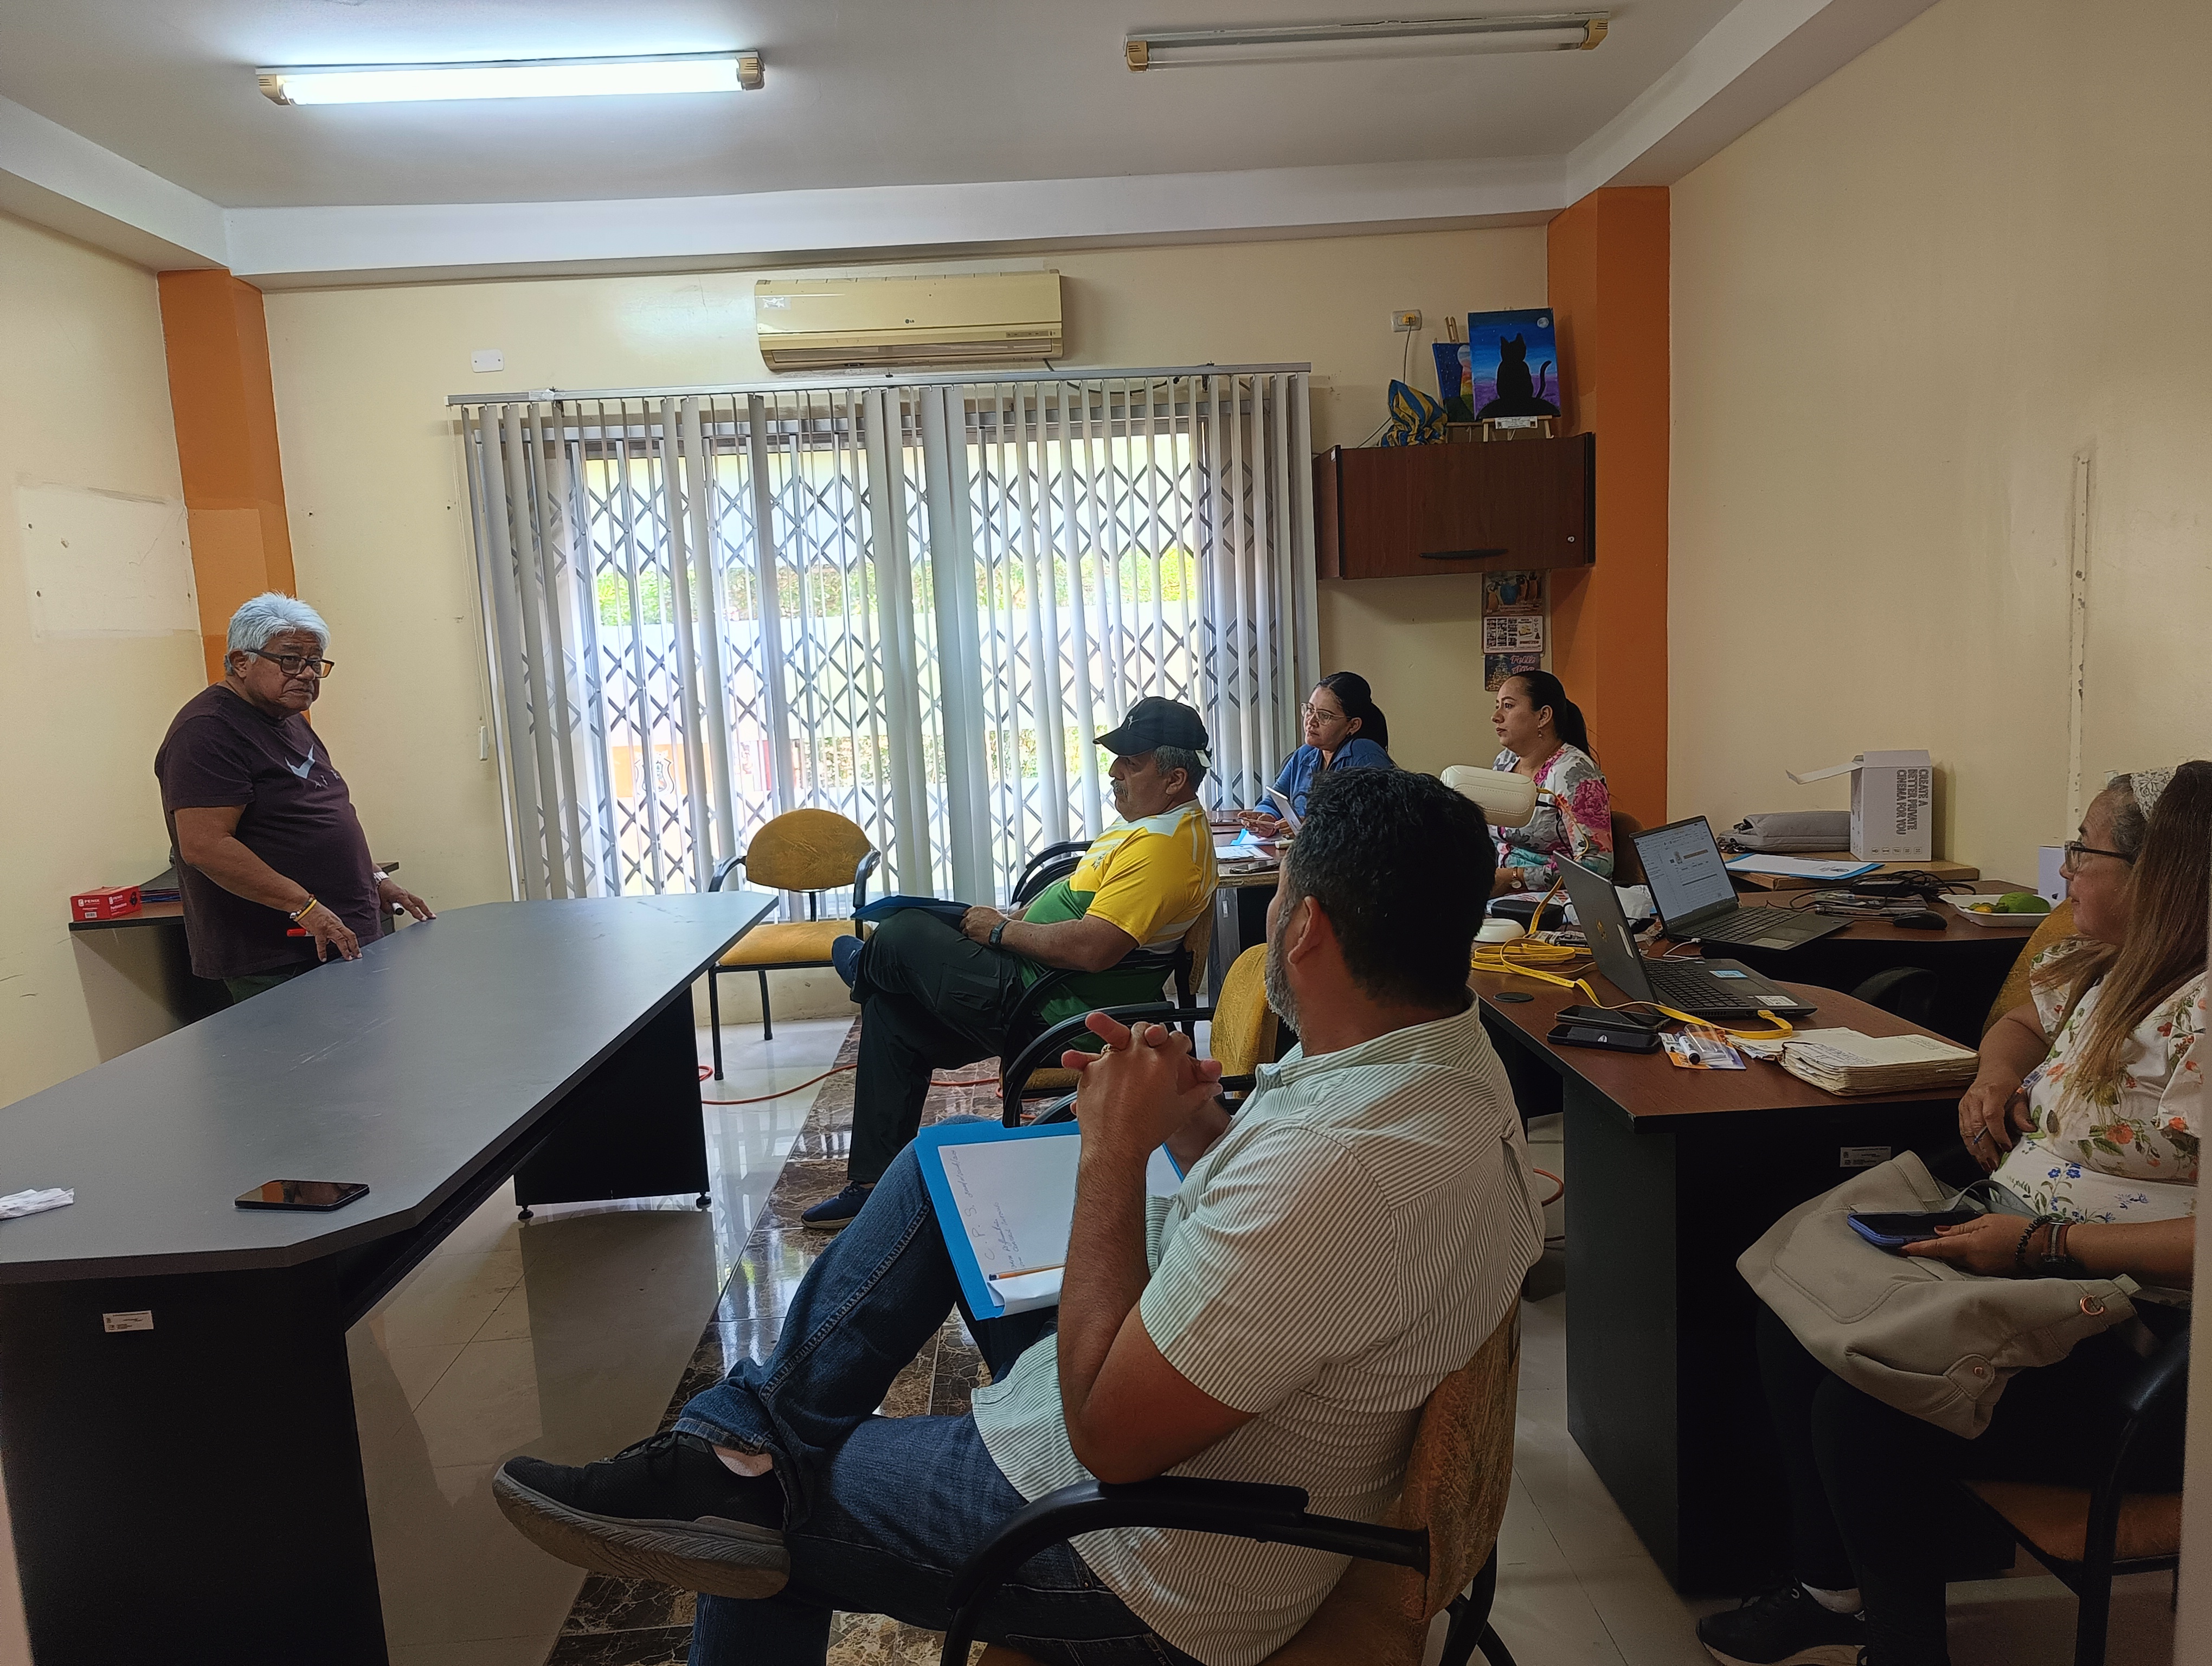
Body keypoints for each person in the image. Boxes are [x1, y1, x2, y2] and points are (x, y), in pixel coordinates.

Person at [492, 767, 1544, 1666]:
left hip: (1151, 1560)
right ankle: (746, 1431)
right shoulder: (1438, 1064)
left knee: (773, 1508)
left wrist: (1114, 1154)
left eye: (1280, 902)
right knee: (943, 1163)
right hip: (1212, 1407)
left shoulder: (1345, 1166)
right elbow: (1314, 1248)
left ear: (1305, 927)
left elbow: (1111, 1440)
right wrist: (1194, 1133)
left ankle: (733, 1466)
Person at [1696, 763, 2205, 1666]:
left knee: (1865, 1410)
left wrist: (2045, 1243)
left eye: (2085, 850)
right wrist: (1996, 1075)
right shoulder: (2111, 963)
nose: (2066, 871)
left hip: (2135, 1332)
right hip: (2022, 1255)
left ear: (2158, 876)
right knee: (1793, 1315)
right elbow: (2021, 1023)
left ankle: (1902, 1648)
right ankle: (1831, 1592)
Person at [799, 696, 1219, 1231]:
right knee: (892, 1014)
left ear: (1175, 779)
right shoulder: (1150, 824)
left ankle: (868, 965)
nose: (1115, 772)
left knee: (902, 933)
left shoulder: (1164, 849)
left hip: (1057, 1009)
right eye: (1117, 759)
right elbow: (1079, 903)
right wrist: (1011, 921)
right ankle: (871, 1187)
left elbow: (1094, 948)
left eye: (1132, 763)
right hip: (1036, 981)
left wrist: (1001, 932)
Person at [154, 593, 432, 1004]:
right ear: (242, 661)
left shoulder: (286, 717)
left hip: (338, 937)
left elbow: (320, 810)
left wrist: (377, 879)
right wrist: (304, 907)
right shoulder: (207, 730)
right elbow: (205, 846)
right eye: (290, 660)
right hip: (280, 955)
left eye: (315, 662)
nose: (307, 674)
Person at [1487, 669, 1610, 896]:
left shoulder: (1574, 773)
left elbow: (1596, 866)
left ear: (1543, 716)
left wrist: (1515, 877)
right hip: (1500, 892)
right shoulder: (1504, 762)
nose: (1496, 716)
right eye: (1498, 706)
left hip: (1552, 898)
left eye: (1508, 706)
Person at [1238, 671, 1394, 834]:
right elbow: (1273, 802)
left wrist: (1315, 826)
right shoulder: (1305, 754)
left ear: (1353, 725)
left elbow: (1378, 822)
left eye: (1324, 716)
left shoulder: (1366, 754)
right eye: (1310, 710)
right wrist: (1267, 818)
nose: (1311, 721)